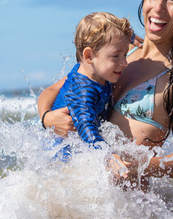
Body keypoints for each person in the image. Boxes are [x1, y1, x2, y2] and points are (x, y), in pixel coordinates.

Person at [38, 0, 173, 186]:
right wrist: (47, 119)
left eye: (171, 0)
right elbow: (53, 90)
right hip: (74, 191)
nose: (158, 7)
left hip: (125, 205)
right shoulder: (118, 51)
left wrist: (138, 166)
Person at [41, 12, 133, 176]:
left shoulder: (90, 72)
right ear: (89, 55)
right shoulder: (83, 91)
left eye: (125, 54)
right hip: (61, 158)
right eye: (116, 56)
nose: (124, 63)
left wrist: (130, 39)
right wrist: (107, 156)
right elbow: (85, 125)